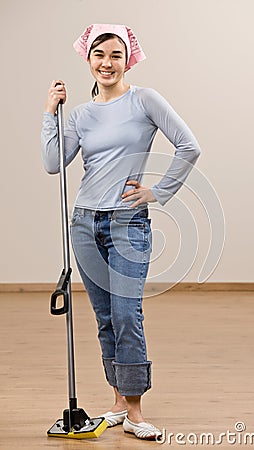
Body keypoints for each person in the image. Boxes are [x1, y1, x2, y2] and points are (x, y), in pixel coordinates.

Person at [41, 23, 201, 440]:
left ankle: (134, 410)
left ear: (128, 58)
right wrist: (49, 113)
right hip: (84, 223)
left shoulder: (145, 100)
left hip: (127, 223)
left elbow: (189, 145)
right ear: (87, 59)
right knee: (105, 316)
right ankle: (116, 403)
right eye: (99, 55)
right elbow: (54, 161)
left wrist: (158, 192)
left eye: (115, 55)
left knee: (128, 313)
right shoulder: (79, 115)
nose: (107, 63)